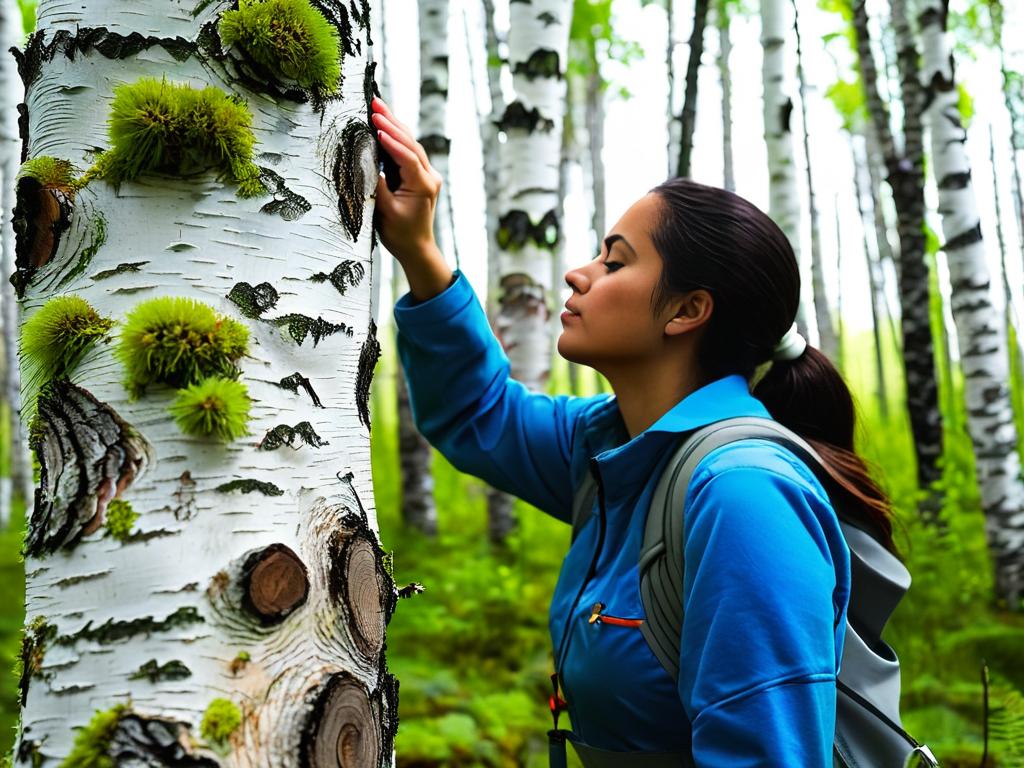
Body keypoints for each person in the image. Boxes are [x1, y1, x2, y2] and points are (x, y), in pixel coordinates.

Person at [370, 96, 896, 766]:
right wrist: (418, 249)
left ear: (687, 310)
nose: (578, 273)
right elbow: (482, 415)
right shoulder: (611, 448)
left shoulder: (742, 498)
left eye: (615, 262)